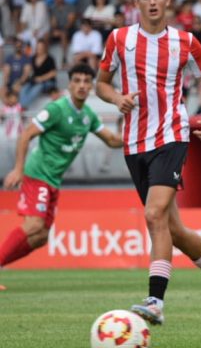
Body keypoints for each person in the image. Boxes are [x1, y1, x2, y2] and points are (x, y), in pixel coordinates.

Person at [96, 0, 201, 325]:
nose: (151, 1)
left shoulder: (185, 42)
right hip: (134, 141)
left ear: (167, 1)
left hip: (171, 135)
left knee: (153, 215)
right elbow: (101, 85)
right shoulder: (118, 39)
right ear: (135, 2)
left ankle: (156, 301)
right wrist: (118, 98)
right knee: (172, 228)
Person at [0, 64, 123, 290]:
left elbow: (112, 140)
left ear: (92, 86)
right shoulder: (57, 109)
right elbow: (26, 133)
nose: (82, 86)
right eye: (77, 80)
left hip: (53, 181)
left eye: (87, 81)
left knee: (42, 236)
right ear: (70, 84)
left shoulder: (87, 116)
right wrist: (18, 168)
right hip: (38, 174)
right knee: (33, 225)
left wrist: (138, 137)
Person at [19, 40, 57, 108]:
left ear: (44, 48)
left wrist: (41, 78)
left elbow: (53, 73)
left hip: (48, 82)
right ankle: (21, 105)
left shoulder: (50, 59)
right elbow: (29, 70)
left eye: (41, 47)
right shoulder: (33, 58)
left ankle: (23, 106)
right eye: (38, 47)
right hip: (35, 81)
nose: (39, 49)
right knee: (24, 88)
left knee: (37, 87)